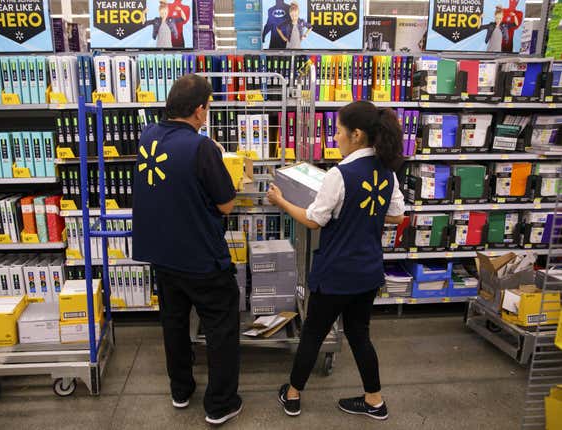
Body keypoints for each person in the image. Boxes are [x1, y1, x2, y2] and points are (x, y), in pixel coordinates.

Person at [267, 101, 406, 420]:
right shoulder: (387, 171)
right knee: (360, 334)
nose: (335, 138)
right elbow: (397, 216)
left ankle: (292, 395)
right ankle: (375, 401)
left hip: (335, 273)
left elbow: (314, 220)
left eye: (339, 131)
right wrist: (363, 216)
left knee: (313, 333)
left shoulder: (339, 174)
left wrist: (281, 200)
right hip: (368, 272)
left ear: (356, 134)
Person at [132, 74, 243, 426]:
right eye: (207, 108)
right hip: (202, 258)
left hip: (163, 255)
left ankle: (181, 390)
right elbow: (226, 204)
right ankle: (220, 404)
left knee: (175, 324)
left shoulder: (148, 136)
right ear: (199, 110)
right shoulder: (202, 147)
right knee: (221, 328)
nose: (207, 114)